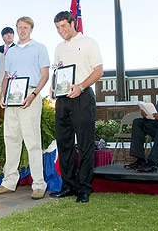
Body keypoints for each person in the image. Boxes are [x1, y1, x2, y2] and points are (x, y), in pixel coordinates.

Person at [0, 17, 50, 199]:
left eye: (25, 27)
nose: (22, 30)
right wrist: (2, 95)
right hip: (11, 99)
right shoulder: (11, 52)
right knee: (11, 139)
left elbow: (45, 75)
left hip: (29, 96)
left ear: (31, 29)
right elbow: (6, 76)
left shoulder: (40, 48)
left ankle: (39, 184)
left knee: (32, 140)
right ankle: (9, 181)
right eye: (19, 27)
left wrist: (33, 95)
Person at [49, 11, 103, 203]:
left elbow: (99, 71)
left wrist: (81, 86)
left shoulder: (89, 42)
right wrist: (53, 88)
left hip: (83, 97)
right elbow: (57, 71)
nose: (60, 30)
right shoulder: (58, 48)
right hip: (63, 100)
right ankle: (69, 185)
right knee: (64, 145)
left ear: (73, 23)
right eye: (57, 27)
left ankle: (84, 188)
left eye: (63, 26)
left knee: (85, 144)